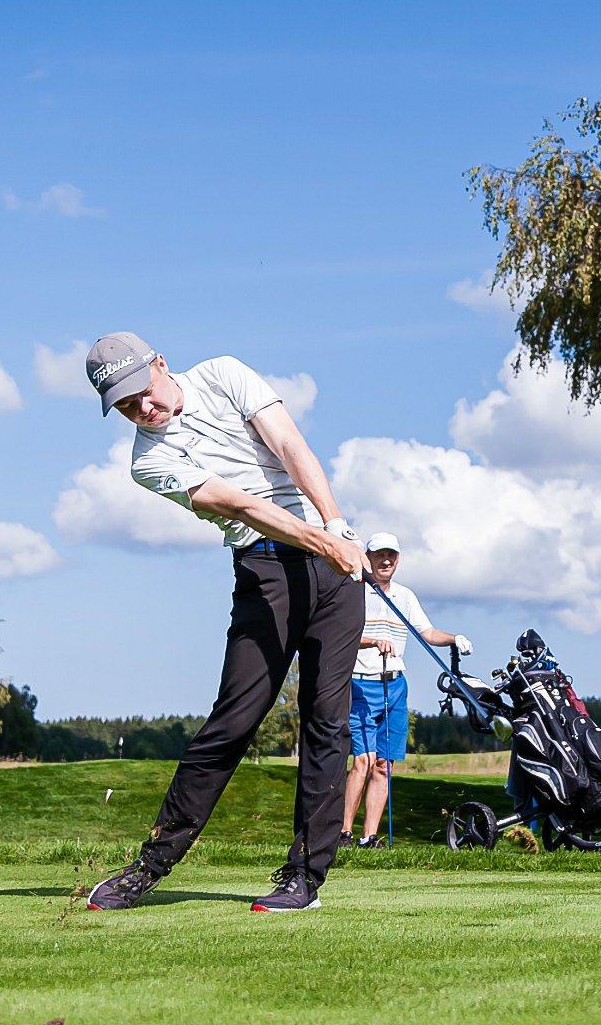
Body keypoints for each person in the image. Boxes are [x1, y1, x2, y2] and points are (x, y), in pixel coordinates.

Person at [81, 331, 366, 913]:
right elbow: (239, 505)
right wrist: (318, 537)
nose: (144, 409)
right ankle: (151, 866)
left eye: (144, 392)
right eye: (127, 406)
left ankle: (303, 880)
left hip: (334, 569)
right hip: (266, 572)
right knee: (233, 721)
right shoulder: (148, 461)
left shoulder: (224, 373)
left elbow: (289, 445)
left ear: (161, 363)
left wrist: (334, 525)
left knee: (326, 723)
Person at [341, 532, 470, 849]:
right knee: (363, 762)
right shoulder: (354, 592)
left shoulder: (405, 596)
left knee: (385, 765)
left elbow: (427, 633)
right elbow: (340, 636)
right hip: (360, 682)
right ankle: (343, 833)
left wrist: (455, 638)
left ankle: (368, 837)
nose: (385, 561)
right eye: (379, 555)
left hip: (395, 686)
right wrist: (373, 641)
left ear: (397, 559)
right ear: (367, 557)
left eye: (391, 556)